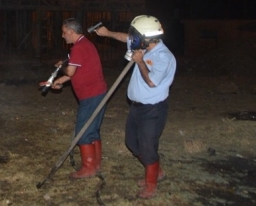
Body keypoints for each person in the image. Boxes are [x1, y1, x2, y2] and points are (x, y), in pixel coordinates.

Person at [94, 15, 176, 199]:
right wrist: (108, 33)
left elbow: (152, 82)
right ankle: (156, 172)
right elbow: (125, 38)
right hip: (136, 108)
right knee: (132, 143)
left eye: (136, 34)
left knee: (148, 147)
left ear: (147, 37)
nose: (132, 38)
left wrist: (139, 61)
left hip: (153, 110)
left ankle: (151, 185)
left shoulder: (164, 57)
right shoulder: (141, 45)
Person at [40, 18, 108, 179]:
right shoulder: (85, 44)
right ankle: (96, 165)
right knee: (93, 131)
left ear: (71, 31)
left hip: (91, 95)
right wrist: (57, 81)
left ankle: (89, 168)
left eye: (64, 32)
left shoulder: (79, 47)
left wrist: (60, 67)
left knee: (83, 132)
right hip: (97, 93)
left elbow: (70, 71)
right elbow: (76, 72)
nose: (63, 36)